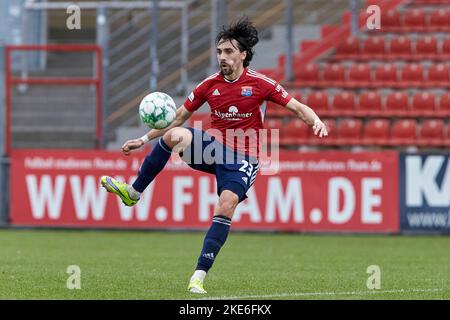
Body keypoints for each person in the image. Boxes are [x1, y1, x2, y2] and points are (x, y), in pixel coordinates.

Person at [101, 17, 328, 294]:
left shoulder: (261, 84)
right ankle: (133, 192)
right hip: (214, 149)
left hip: (245, 157)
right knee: (175, 135)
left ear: (243, 54)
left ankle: (198, 276)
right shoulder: (209, 85)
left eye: (229, 51)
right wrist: (143, 138)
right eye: (219, 52)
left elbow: (297, 107)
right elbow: (179, 117)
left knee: (225, 205)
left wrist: (315, 120)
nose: (222, 57)